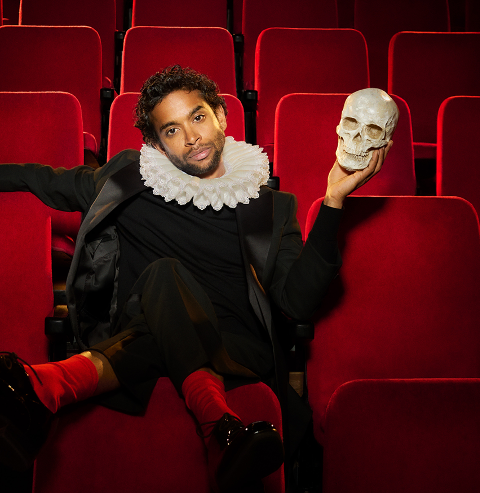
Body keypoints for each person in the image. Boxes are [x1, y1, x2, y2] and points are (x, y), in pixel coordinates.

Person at [0, 65, 390, 492]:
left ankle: (44, 384)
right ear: (156, 143)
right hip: (146, 326)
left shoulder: (273, 206)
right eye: (172, 130)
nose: (191, 137)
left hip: (235, 348)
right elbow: (44, 180)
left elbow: (296, 304)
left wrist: (333, 200)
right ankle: (219, 426)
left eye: (198, 117)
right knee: (164, 276)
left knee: (163, 275)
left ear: (221, 115)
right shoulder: (129, 178)